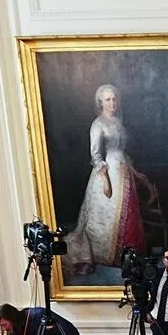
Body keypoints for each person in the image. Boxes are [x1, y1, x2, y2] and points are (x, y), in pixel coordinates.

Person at [64, 83, 153, 275]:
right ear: (100, 103)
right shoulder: (98, 124)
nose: (112, 102)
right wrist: (105, 179)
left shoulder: (119, 122)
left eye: (114, 99)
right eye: (107, 99)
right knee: (105, 218)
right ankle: (110, 255)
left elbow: (123, 151)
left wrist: (135, 172)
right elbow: (96, 155)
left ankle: (130, 253)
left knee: (129, 214)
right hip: (108, 173)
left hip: (124, 172)